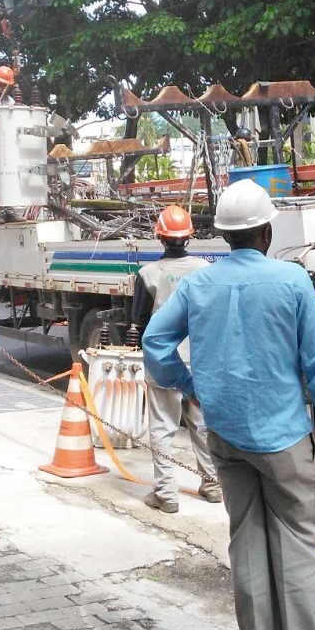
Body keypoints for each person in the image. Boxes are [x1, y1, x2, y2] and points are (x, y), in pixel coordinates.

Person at [142, 179, 315, 630]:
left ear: (224, 235)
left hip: (225, 435)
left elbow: (155, 341)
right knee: (296, 545)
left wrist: (191, 385)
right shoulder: (292, 281)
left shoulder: (197, 285)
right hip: (282, 436)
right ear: (267, 229)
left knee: (247, 540)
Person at [131, 205, 222, 514]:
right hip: (199, 360)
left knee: (162, 427)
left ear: (160, 236)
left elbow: (140, 322)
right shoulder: (205, 270)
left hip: (163, 361)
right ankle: (212, 485)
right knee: (202, 425)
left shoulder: (147, 274)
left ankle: (166, 493)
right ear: (189, 236)